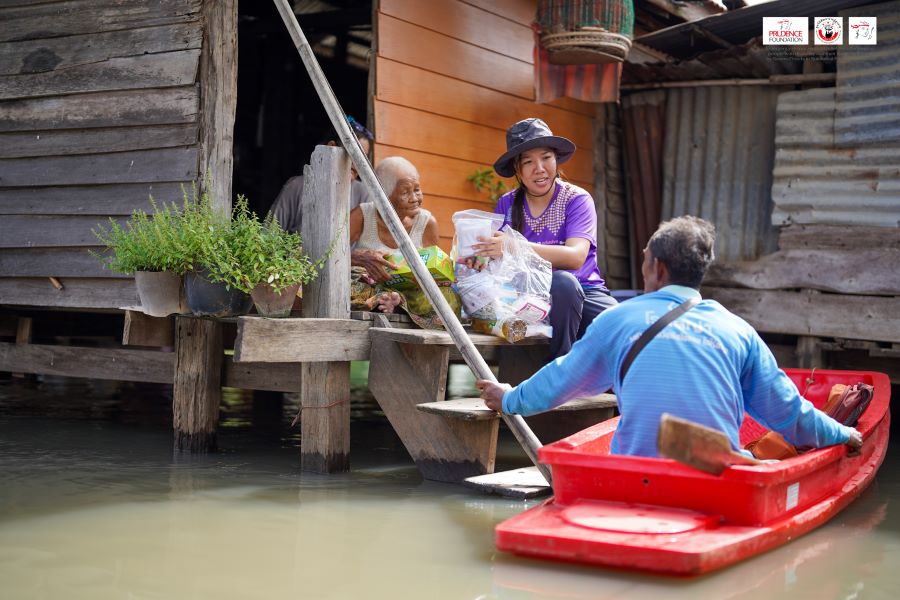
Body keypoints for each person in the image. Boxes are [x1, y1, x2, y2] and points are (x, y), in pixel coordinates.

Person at [477, 216, 863, 457]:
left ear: (657, 268)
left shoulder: (617, 321)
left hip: (634, 476)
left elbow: (559, 381)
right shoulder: (738, 331)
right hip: (714, 478)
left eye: (645, 260)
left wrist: (508, 398)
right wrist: (844, 433)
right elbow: (790, 415)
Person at [472, 118, 617, 360]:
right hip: (526, 295)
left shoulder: (577, 199)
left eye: (546, 157)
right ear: (517, 170)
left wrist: (515, 246)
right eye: (528, 161)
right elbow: (496, 260)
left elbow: (575, 257)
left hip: (584, 290)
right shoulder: (507, 204)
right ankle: (558, 370)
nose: (539, 168)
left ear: (556, 159)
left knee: (619, 327)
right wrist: (479, 256)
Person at [269, 116, 395, 283]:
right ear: (331, 148)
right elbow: (268, 241)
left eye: (363, 157)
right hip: (300, 281)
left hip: (346, 282)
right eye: (354, 155)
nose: (358, 165)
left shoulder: (363, 193)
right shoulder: (297, 187)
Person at [348, 156, 461, 328]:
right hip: (370, 286)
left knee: (447, 297)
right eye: (405, 192)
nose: (415, 198)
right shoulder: (362, 215)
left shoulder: (427, 223)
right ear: (383, 195)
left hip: (410, 292)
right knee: (348, 283)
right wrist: (359, 257)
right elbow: (331, 253)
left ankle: (397, 302)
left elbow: (436, 269)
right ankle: (387, 299)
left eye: (417, 189)